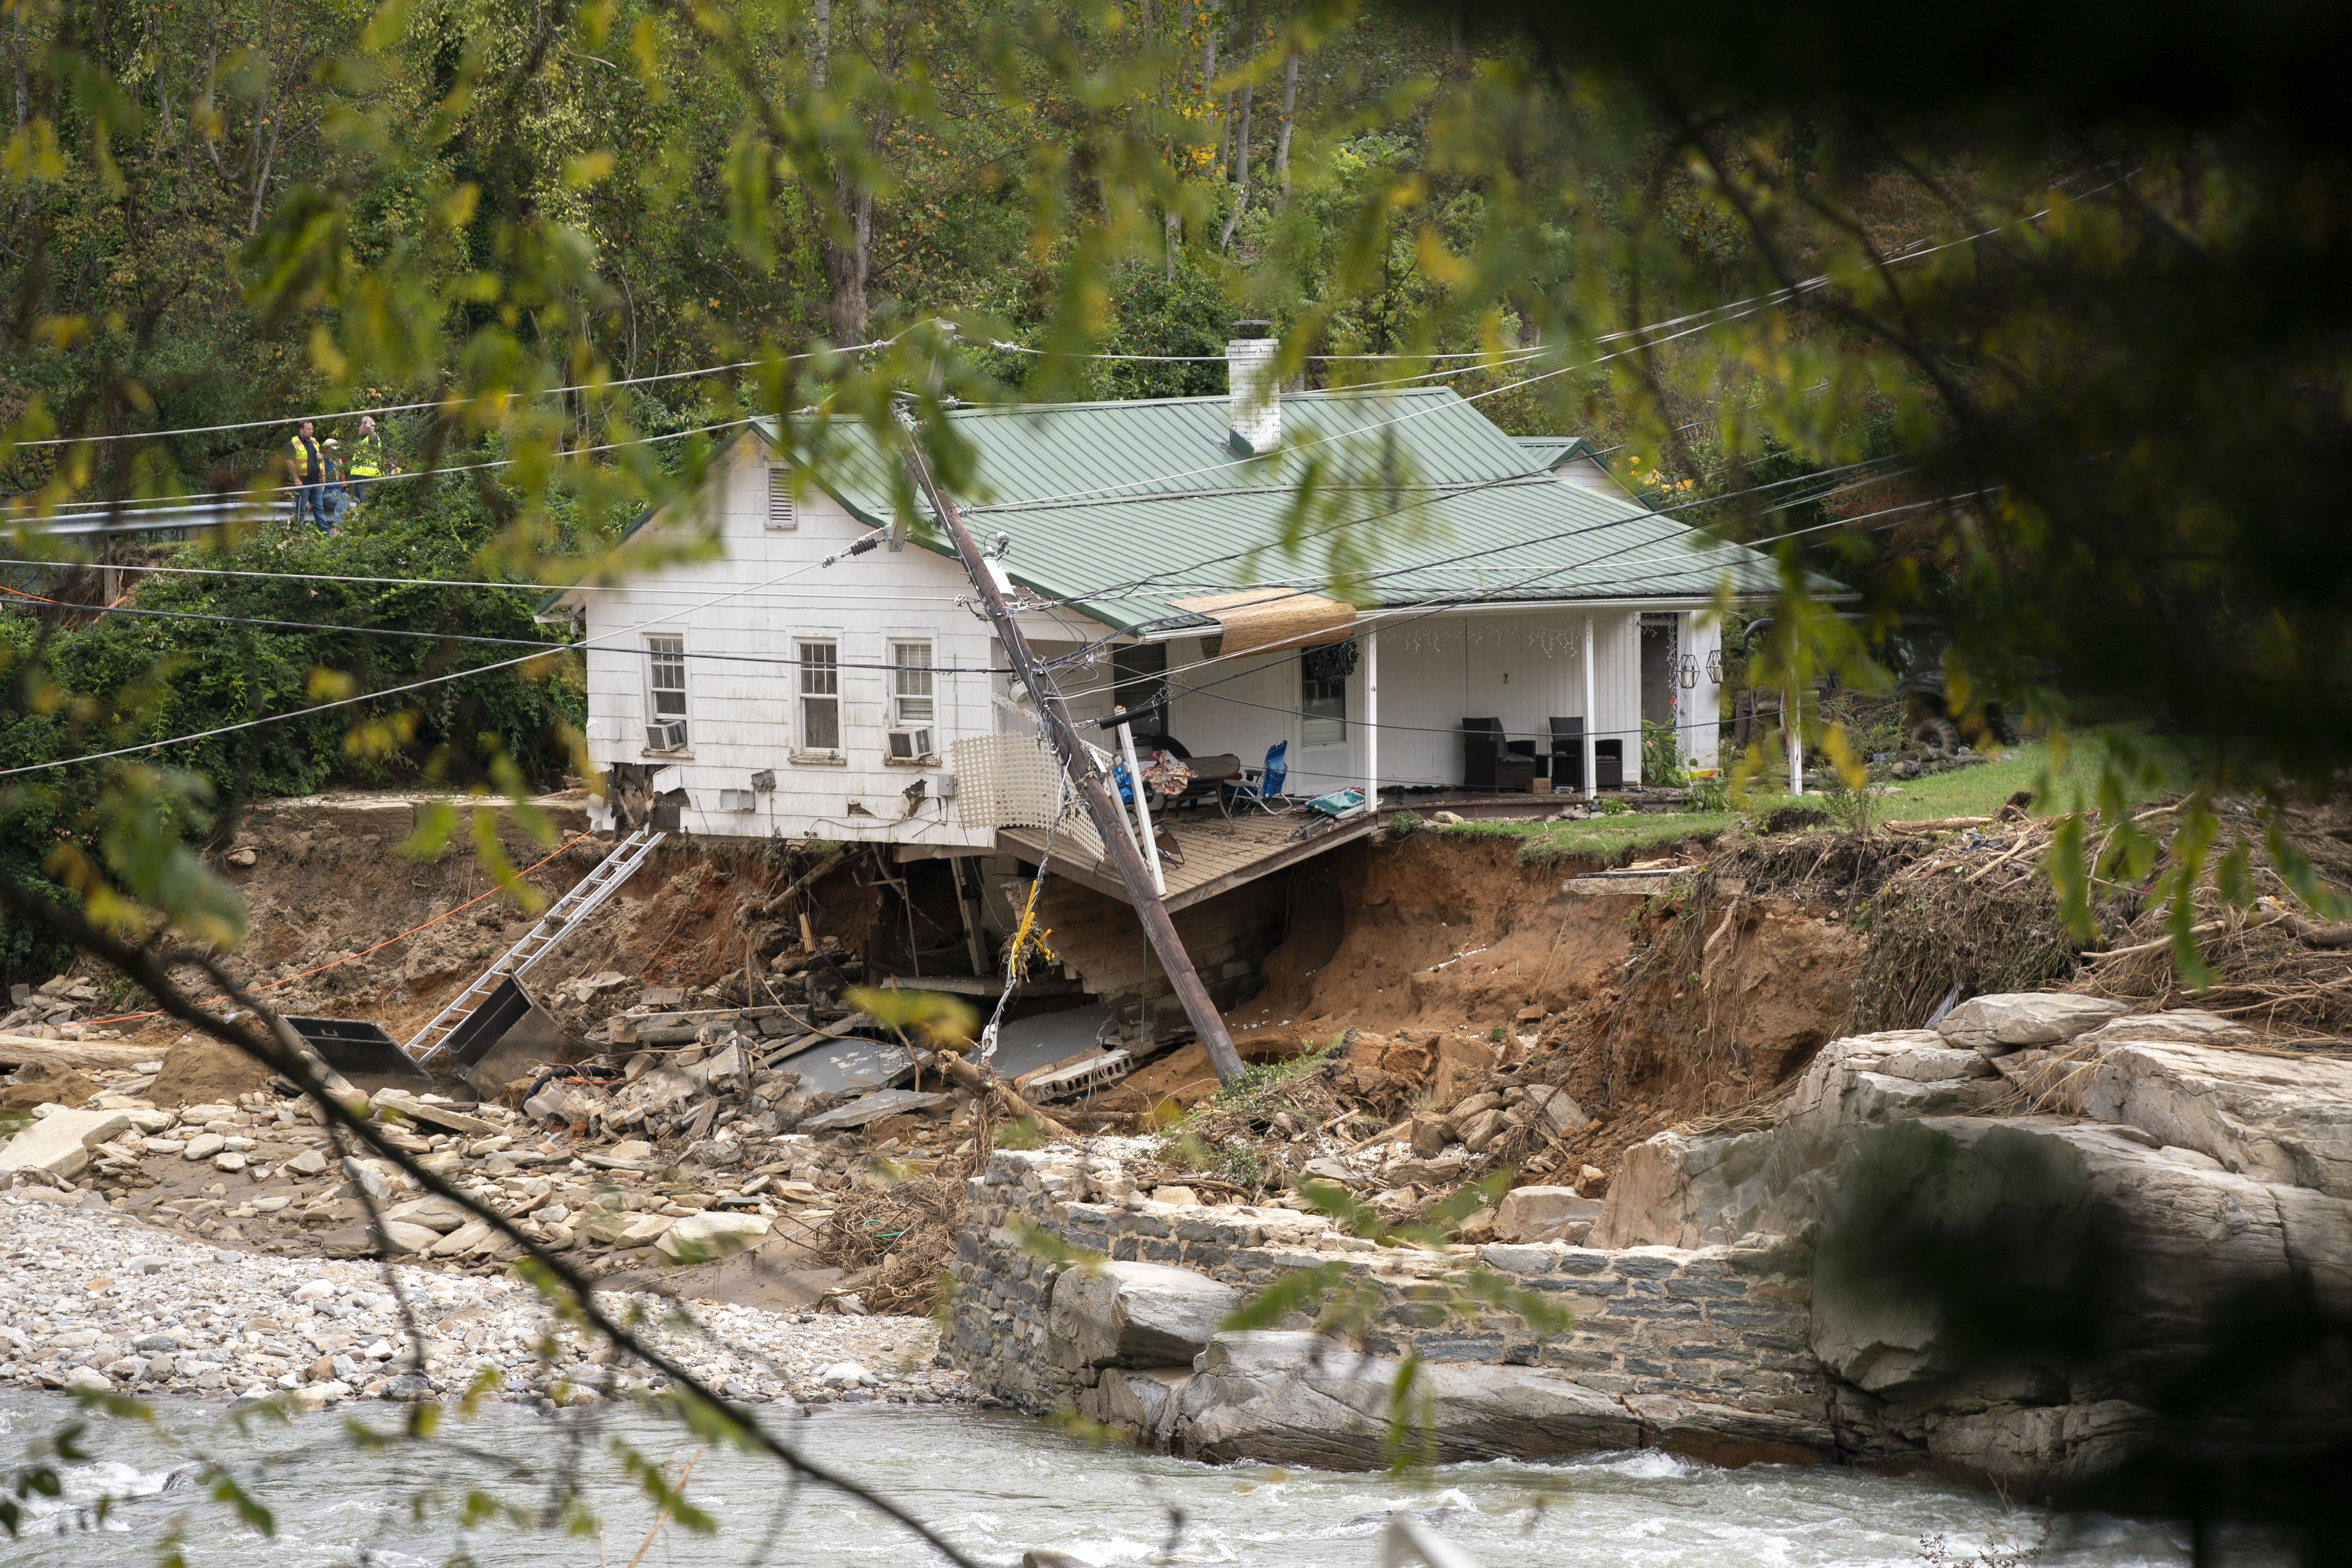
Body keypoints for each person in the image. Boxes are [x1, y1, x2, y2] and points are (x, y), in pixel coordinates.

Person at [286, 419, 325, 531]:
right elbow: (290, 463)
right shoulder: (293, 444)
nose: (311, 431)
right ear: (301, 430)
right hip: (303, 483)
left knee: (319, 509)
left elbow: (320, 461)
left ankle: (326, 535)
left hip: (316, 483)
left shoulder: (315, 443)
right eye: (309, 429)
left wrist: (321, 458)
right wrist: (297, 479)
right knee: (300, 511)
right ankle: (299, 534)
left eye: (312, 429)